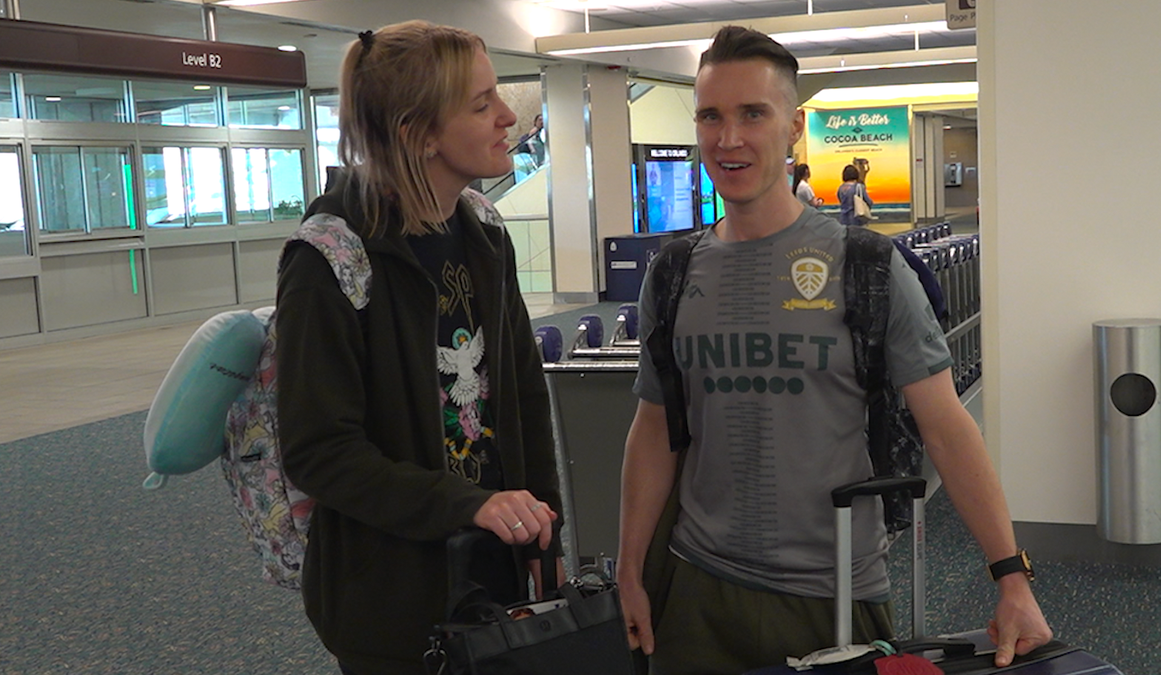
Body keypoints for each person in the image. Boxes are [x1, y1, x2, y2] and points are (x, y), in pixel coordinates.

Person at [616, 25, 1051, 675]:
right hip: (697, 588)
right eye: (711, 115)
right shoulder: (675, 272)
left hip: (834, 593)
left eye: (752, 114)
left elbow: (947, 428)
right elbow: (655, 428)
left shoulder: (868, 268)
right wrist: (628, 566)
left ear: (793, 126)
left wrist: (1011, 577)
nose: (727, 138)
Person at [274, 21, 562, 675]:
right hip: (393, 598)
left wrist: (547, 531)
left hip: (500, 571)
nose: (508, 117)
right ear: (419, 132)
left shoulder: (483, 230)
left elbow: (521, 396)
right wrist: (469, 503)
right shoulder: (332, 256)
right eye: (482, 102)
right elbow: (321, 451)